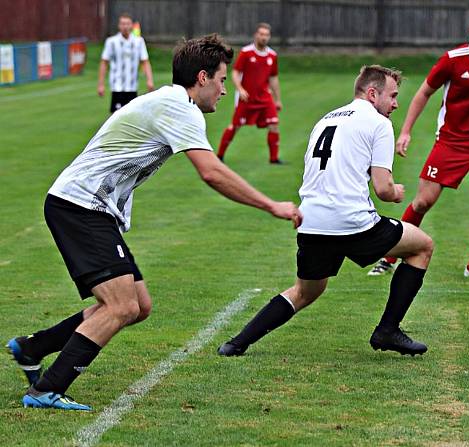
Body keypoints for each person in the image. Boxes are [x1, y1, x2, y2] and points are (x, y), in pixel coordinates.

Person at [7, 34, 301, 411]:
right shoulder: (179, 107)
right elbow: (211, 172)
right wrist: (271, 205)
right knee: (121, 306)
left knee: (138, 305)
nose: (225, 90)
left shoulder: (173, 102)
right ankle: (47, 390)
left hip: (91, 207)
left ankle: (32, 347)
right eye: (222, 80)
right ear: (202, 78)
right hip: (79, 205)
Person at [218, 66, 433, 358]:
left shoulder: (326, 119)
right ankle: (388, 330)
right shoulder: (379, 123)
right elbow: (383, 189)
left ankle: (237, 343)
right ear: (372, 94)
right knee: (422, 247)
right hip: (352, 222)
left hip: (311, 221)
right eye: (393, 96)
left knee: (306, 291)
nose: (396, 104)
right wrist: (396, 192)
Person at [368, 3, 469, 279]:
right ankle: (389, 256)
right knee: (422, 202)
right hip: (451, 142)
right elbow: (423, 93)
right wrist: (405, 131)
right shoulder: (453, 59)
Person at [217, 23, 283, 164]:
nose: (263, 37)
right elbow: (235, 72)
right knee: (235, 126)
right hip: (246, 98)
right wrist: (240, 89)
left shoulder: (272, 55)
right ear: (256, 35)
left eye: (266, 35)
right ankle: (220, 156)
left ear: (269, 37)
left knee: (274, 124)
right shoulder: (246, 52)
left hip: (265, 97)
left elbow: (273, 78)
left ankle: (274, 158)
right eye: (261, 34)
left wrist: (278, 99)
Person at [98, 13, 154, 113]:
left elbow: (145, 62)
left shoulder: (138, 42)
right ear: (119, 26)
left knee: (132, 117)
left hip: (132, 87)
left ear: (131, 25)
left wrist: (149, 80)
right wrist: (101, 84)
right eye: (123, 24)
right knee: (116, 117)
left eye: (127, 24)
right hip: (117, 87)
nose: (125, 26)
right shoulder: (111, 42)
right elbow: (104, 62)